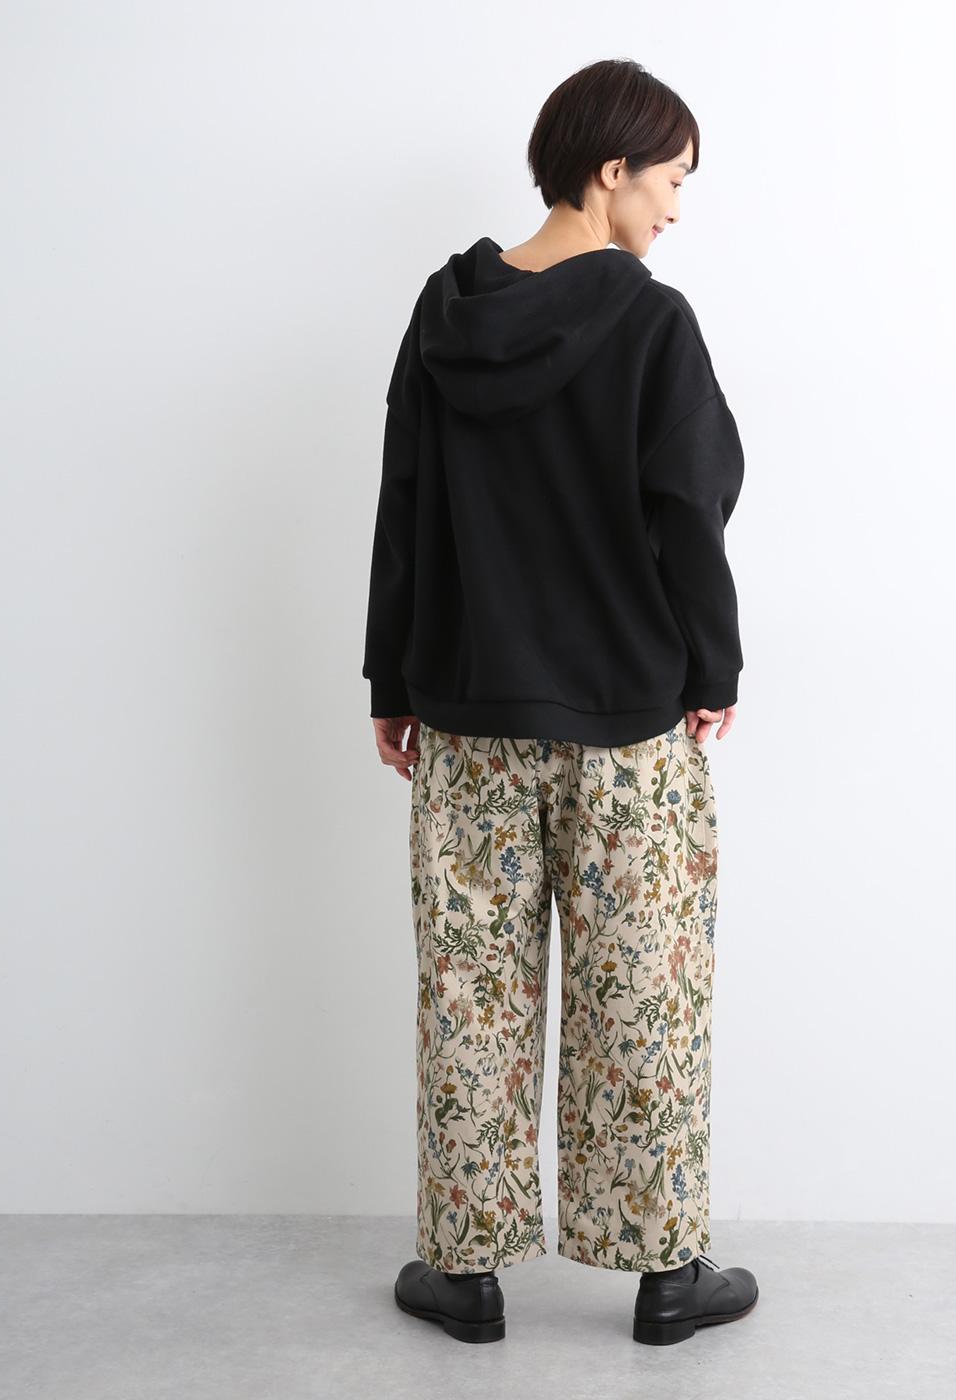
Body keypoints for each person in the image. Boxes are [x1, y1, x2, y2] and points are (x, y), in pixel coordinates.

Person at [363, 57, 760, 1346]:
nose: (677, 209)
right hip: (628, 726)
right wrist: (714, 671)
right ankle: (666, 1278)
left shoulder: (446, 310)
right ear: (612, 169)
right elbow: (692, 509)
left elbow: (403, 503)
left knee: (470, 996)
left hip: (466, 718)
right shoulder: (652, 324)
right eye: (673, 180)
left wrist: (390, 676)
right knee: (644, 988)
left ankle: (465, 1276)